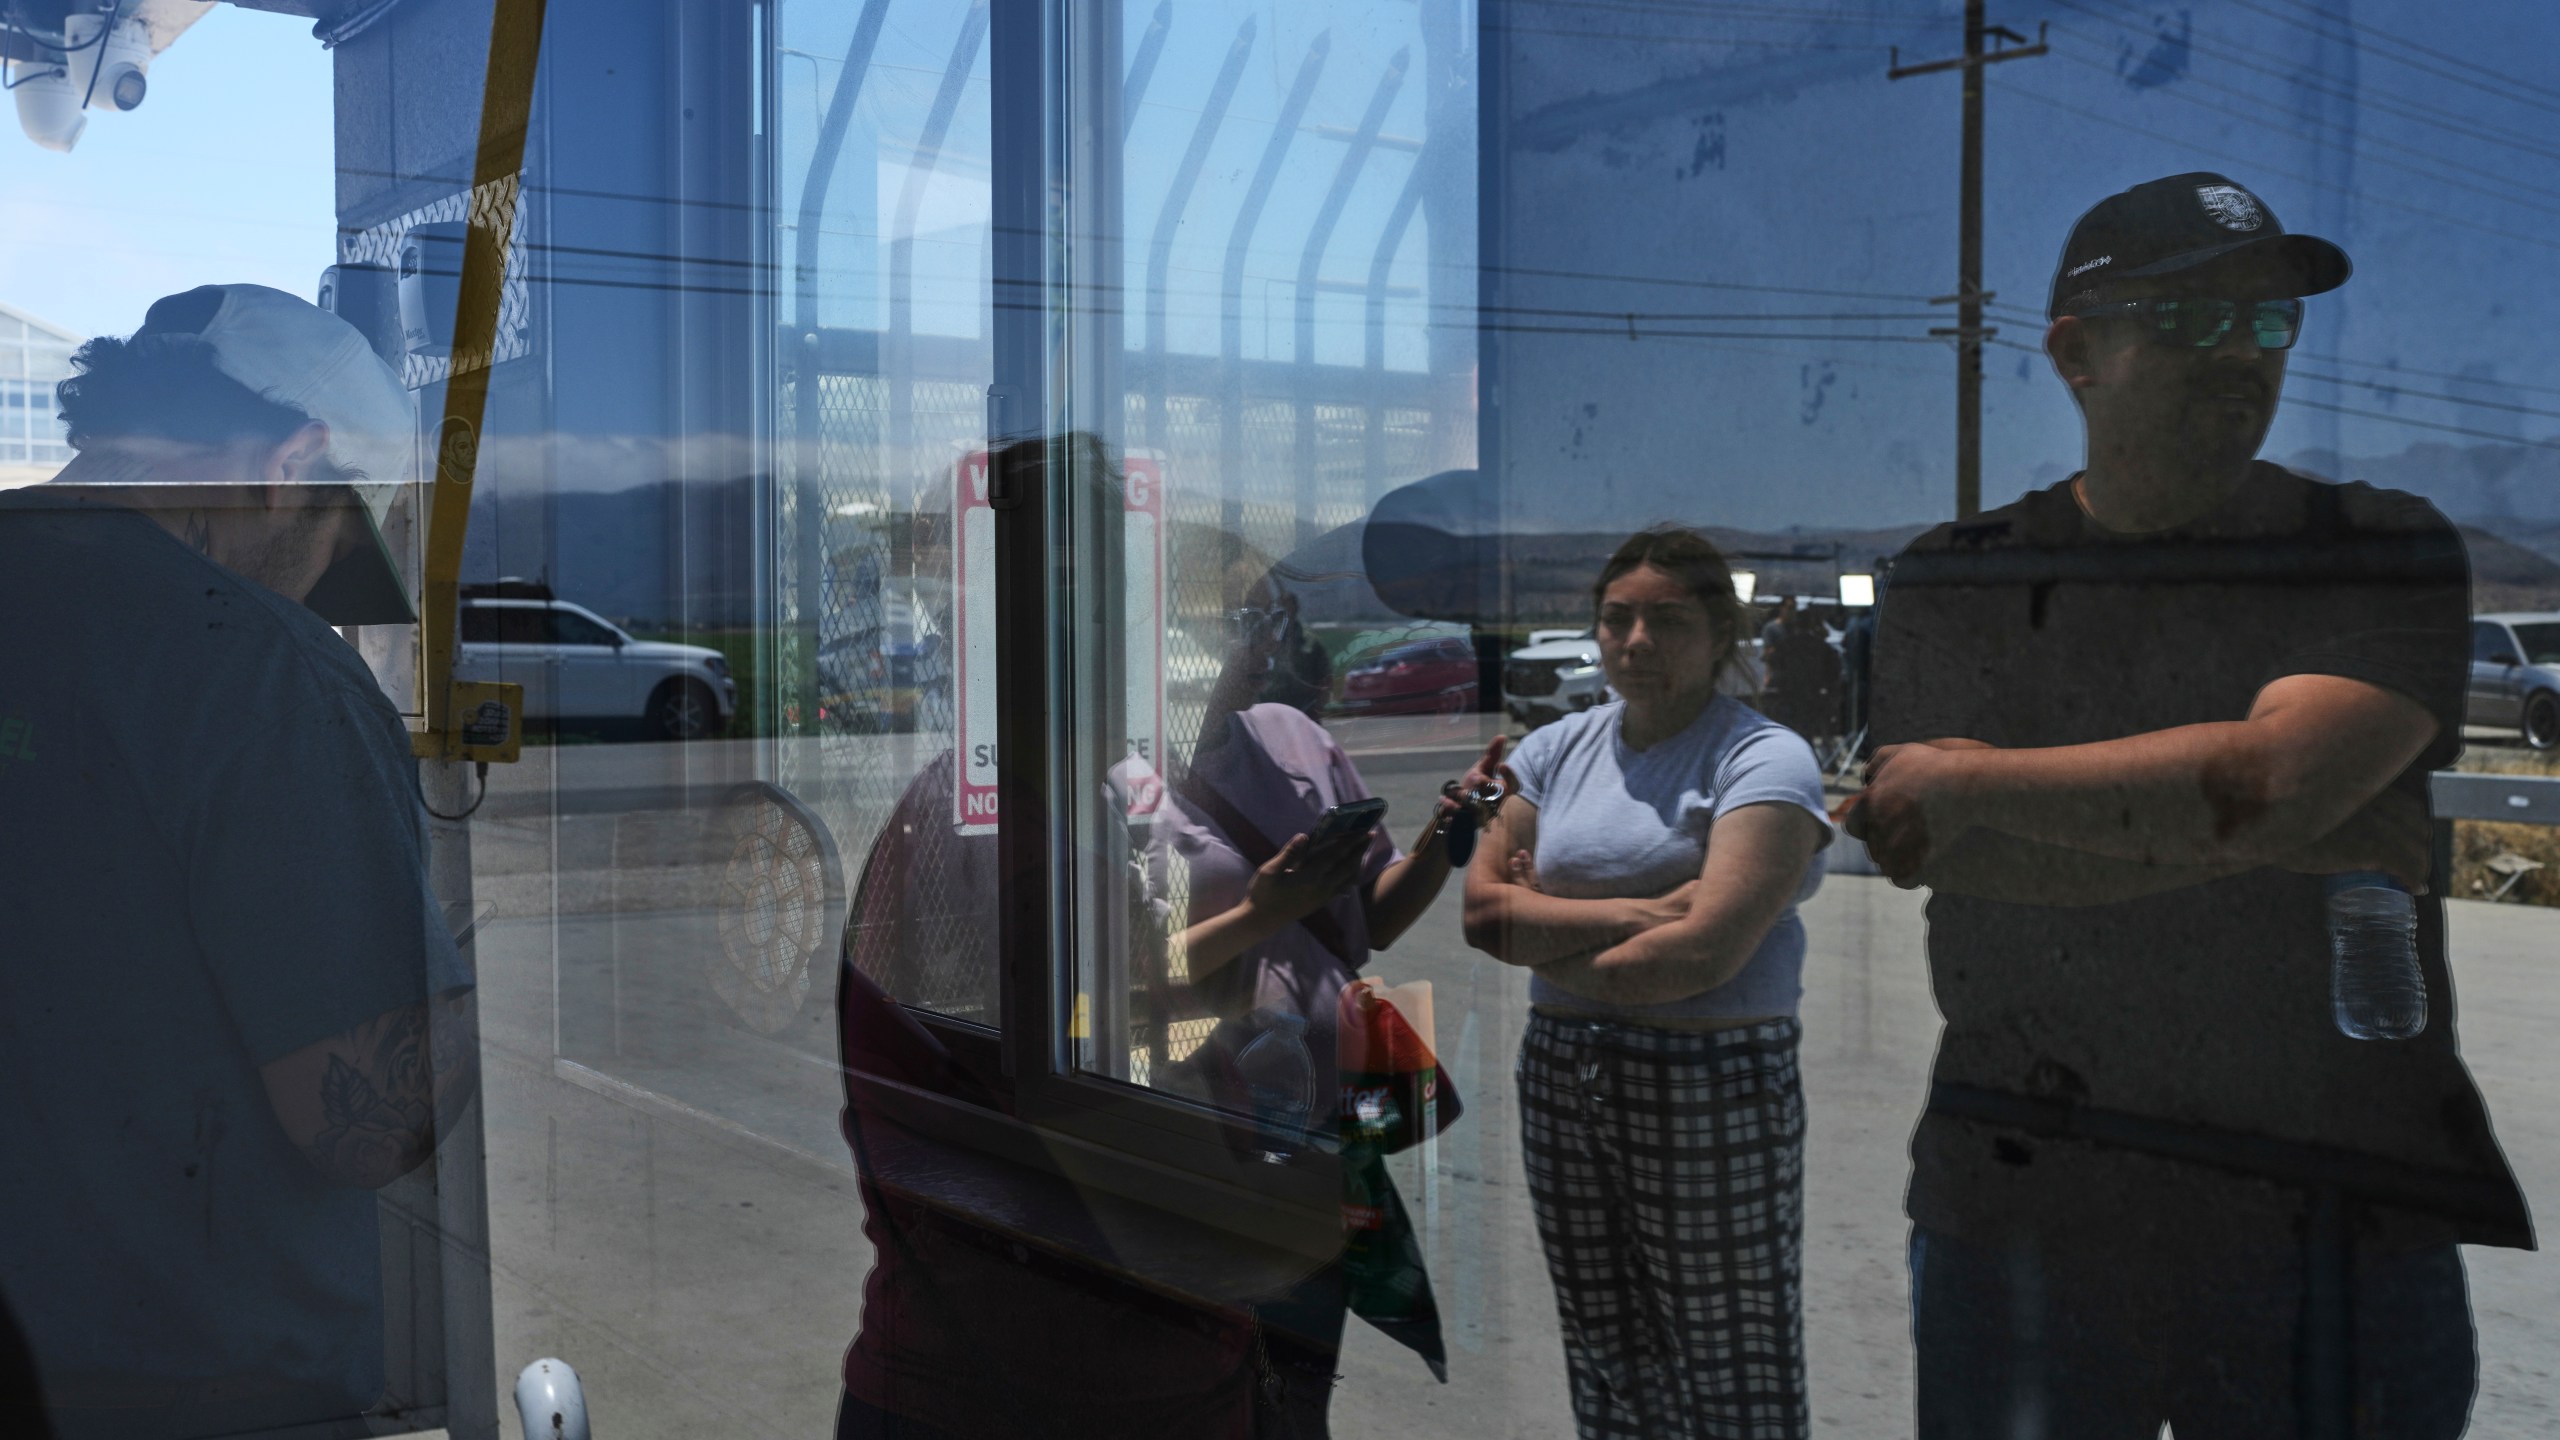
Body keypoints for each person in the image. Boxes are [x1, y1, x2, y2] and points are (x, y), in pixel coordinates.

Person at [1847, 173, 2531, 1438]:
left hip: (2330, 1217)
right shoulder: (1963, 578)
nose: (2241, 354)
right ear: (2074, 354)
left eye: (2266, 322)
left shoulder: (2373, 542)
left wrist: (1982, 779)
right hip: (2030, 1214)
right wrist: (2295, 824)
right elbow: (1949, 853)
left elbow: (2264, 786)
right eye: (2189, 322)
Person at [0, 284, 473, 1440]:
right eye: (332, 539)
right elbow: (369, 1121)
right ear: (293, 463)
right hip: (203, 1389)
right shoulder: (257, 676)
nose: (316, 583)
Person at [1462, 525, 1832, 1440]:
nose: (1636, 643)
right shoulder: (1554, 750)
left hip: (1710, 1081)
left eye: (1666, 622)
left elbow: (1702, 957)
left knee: (1731, 1359)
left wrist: (1549, 934)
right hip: (1561, 1074)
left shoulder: (1763, 760)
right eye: (1617, 619)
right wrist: (1645, 912)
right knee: (1605, 1349)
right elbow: (1482, 918)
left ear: (1720, 635)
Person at [1137, 524, 1501, 1436]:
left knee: (1299, 1383)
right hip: (1203, 1122)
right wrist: (1260, 911)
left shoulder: (1295, 735)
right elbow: (1124, 979)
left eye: (1271, 615)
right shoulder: (1118, 776)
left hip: (1323, 1126)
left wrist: (1440, 841)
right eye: (1236, 619)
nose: (1264, 641)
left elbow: (1366, 920)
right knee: (1208, 1383)